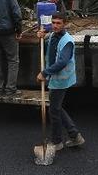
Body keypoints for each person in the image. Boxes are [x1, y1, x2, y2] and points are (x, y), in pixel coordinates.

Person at [36, 13, 85, 151]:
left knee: (54, 110)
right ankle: (75, 136)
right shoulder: (52, 35)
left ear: (65, 24)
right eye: (54, 23)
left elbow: (63, 61)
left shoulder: (67, 41)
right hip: (55, 78)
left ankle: (57, 141)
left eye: (59, 23)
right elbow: (48, 47)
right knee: (56, 108)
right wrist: (42, 36)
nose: (55, 25)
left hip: (61, 79)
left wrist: (44, 73)